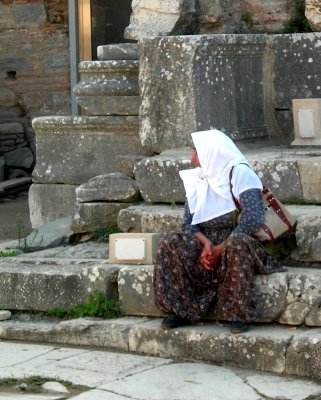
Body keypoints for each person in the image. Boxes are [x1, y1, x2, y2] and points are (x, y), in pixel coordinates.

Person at [153, 129, 284, 334]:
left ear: (211, 153)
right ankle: (180, 309)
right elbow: (188, 223)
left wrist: (220, 249)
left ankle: (237, 314)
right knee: (170, 242)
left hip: (240, 242)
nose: (193, 159)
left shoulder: (241, 173)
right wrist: (206, 245)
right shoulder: (199, 178)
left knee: (236, 243)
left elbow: (253, 219)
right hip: (208, 245)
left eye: (197, 152)